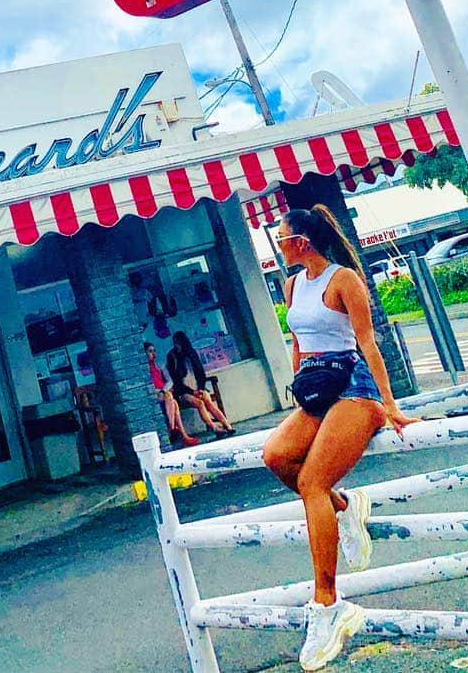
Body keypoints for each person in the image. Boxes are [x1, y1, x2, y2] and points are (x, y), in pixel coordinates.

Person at [262, 205, 419, 671]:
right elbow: (299, 342)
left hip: (354, 388)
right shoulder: (292, 285)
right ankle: (346, 508)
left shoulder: (343, 279)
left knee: (311, 482)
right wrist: (298, 394)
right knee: (275, 456)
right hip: (317, 388)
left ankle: (328, 606)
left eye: (282, 237)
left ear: (303, 242)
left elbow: (368, 341)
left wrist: (388, 403)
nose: (278, 243)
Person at [166, 330, 234, 435]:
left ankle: (227, 425)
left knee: (209, 403)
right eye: (175, 343)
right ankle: (214, 428)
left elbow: (201, 373)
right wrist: (192, 392)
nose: (176, 346)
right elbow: (177, 382)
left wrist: (201, 389)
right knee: (200, 404)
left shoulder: (191, 353)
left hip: (198, 387)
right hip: (185, 392)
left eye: (178, 343)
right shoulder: (172, 356)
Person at [145, 342, 198, 447]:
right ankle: (175, 429)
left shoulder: (159, 366)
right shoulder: (144, 370)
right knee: (170, 397)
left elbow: (170, 381)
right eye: (150, 351)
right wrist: (159, 392)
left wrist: (163, 391)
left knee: (173, 402)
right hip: (155, 396)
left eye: (154, 351)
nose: (153, 354)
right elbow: (147, 387)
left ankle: (177, 431)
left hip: (164, 394)